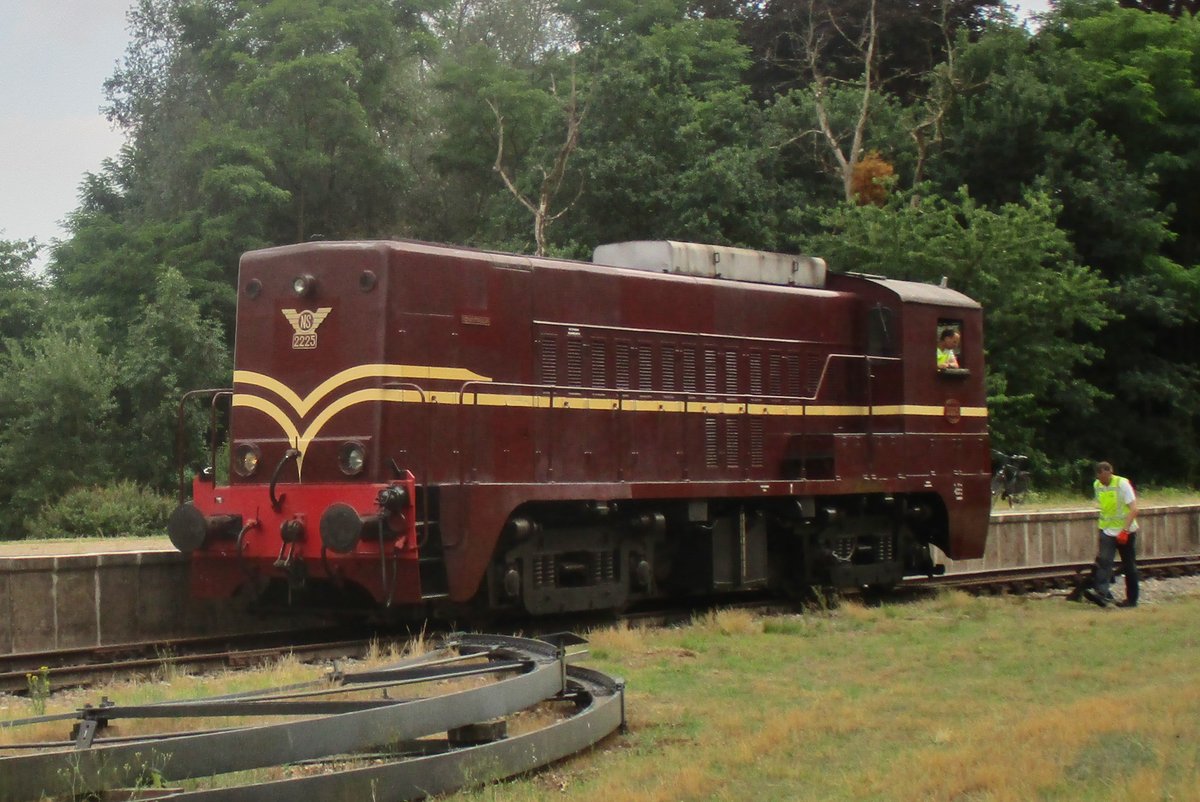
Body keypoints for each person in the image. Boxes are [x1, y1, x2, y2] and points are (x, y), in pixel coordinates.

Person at [1084, 461, 1140, 608]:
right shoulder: (1097, 485)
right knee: (1104, 561)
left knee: (1129, 566)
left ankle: (1132, 600)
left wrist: (1125, 530)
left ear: (1109, 471)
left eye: (1104, 475)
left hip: (1125, 531)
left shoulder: (1122, 484)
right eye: (1099, 476)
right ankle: (1102, 594)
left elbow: (1134, 509)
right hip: (1107, 530)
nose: (1101, 479)